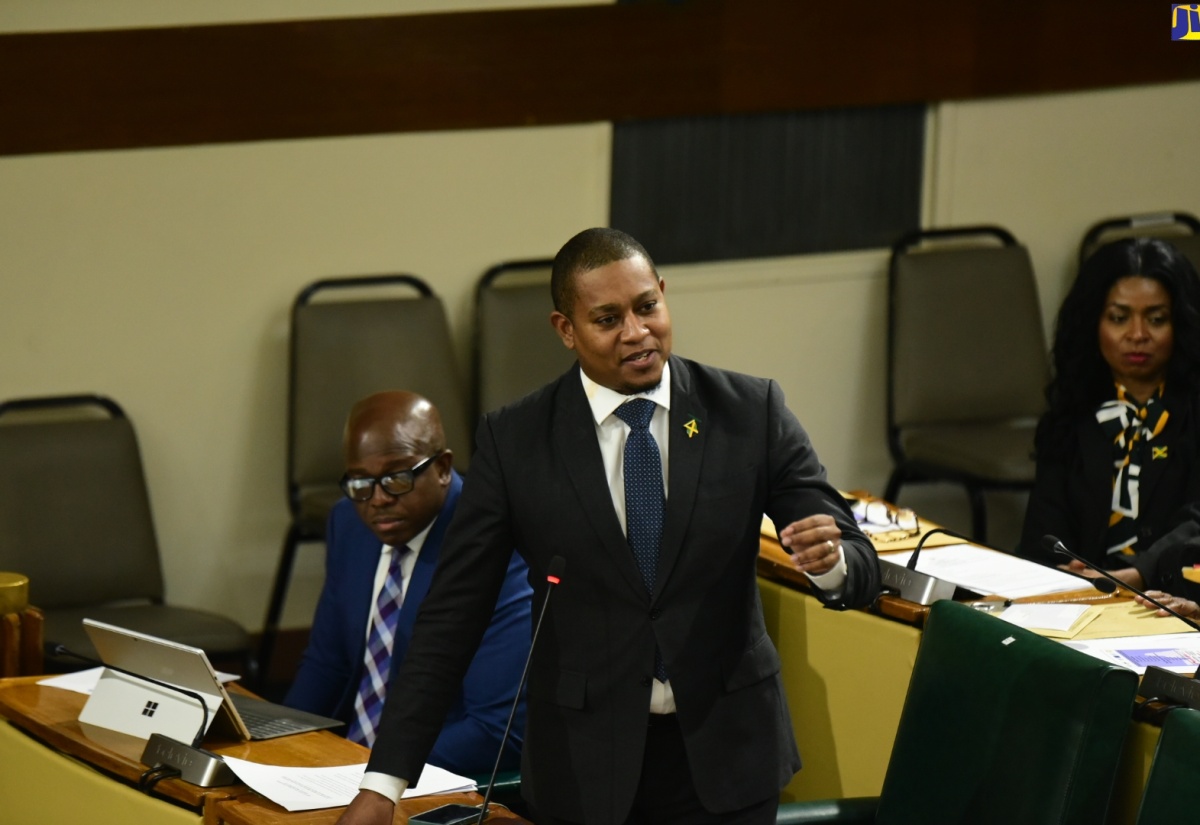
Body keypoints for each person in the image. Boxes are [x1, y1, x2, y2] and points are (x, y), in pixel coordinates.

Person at [336, 228, 881, 825]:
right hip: (583, 766)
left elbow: (855, 558)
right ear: (566, 330)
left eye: (648, 306)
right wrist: (385, 782)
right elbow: (451, 617)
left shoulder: (749, 412)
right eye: (607, 318)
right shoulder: (516, 442)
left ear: (664, 294)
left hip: (729, 756)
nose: (637, 332)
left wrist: (830, 566)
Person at [283, 390, 533, 776]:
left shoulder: (494, 542)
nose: (378, 499)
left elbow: (496, 730)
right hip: (344, 769)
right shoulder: (348, 523)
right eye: (360, 483)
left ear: (443, 468)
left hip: (434, 777)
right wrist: (278, 748)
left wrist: (373, 778)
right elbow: (327, 665)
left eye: (397, 478)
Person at [1017, 237, 1200, 615]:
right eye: (1119, 318)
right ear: (1093, 323)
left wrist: (1141, 572)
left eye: (1156, 319)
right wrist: (1065, 569)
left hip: (1176, 600)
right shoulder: (1071, 413)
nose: (1137, 335)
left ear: (1180, 323)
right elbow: (1042, 532)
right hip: (1082, 602)